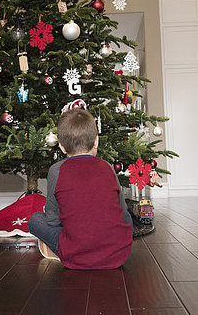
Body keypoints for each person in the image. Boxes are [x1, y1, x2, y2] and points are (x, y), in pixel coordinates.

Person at [28, 108, 133, 269]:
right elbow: (124, 214)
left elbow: (53, 220)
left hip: (75, 253)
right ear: (96, 141)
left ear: (62, 147)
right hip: (118, 254)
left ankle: (59, 250)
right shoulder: (107, 167)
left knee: (35, 219)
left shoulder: (56, 170)